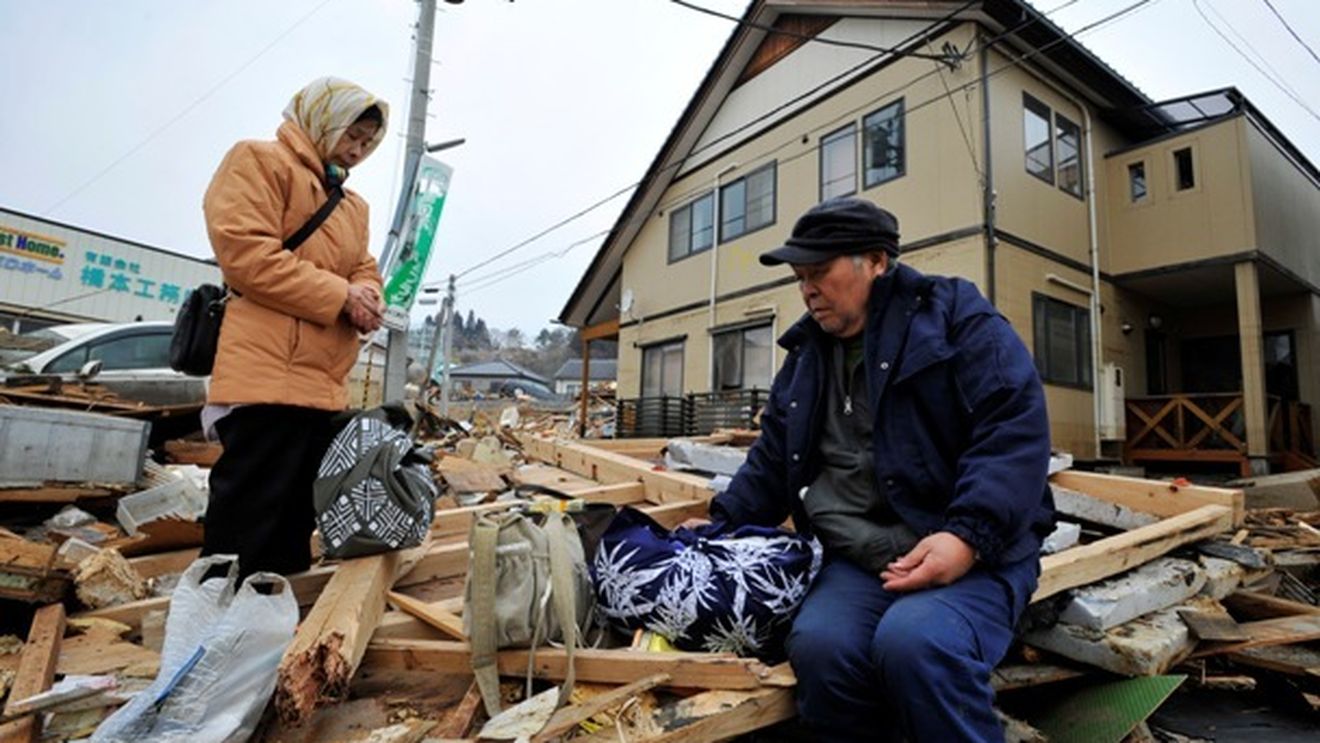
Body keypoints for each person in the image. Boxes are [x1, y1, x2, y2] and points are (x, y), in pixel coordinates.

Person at [699, 197, 1055, 741]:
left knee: (917, 643)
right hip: (860, 555)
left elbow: (1013, 430)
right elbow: (772, 460)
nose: (807, 289)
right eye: (799, 277)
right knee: (822, 647)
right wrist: (716, 529)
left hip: (972, 551)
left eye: (820, 272)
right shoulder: (806, 357)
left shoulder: (957, 319)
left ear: (877, 261)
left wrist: (966, 537)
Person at [200, 77, 389, 578]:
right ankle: (218, 636)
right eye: (352, 136)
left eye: (367, 144)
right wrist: (340, 296)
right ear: (323, 122)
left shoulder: (353, 206)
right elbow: (246, 255)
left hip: (323, 383)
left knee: (293, 522)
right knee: (247, 518)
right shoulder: (259, 162)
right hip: (265, 373)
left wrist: (369, 295)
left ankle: (274, 632)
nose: (357, 150)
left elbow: (363, 267)